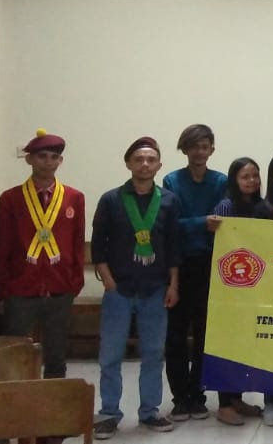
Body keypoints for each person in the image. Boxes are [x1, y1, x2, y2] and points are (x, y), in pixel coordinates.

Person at [92, 137, 181, 439]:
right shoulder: (111, 200)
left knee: (154, 354)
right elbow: (99, 245)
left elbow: (173, 246)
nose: (145, 164)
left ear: (159, 165)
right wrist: (108, 281)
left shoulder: (168, 201)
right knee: (110, 355)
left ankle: (150, 411)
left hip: (155, 288)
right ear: (128, 163)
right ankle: (109, 413)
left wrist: (173, 284)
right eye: (139, 159)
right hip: (119, 288)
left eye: (151, 159)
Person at [0, 129, 86, 380]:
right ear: (29, 159)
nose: (48, 162)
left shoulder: (74, 198)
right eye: (42, 156)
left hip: (60, 287)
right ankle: (16, 400)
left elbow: (77, 242)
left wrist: (75, 281)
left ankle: (54, 400)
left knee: (57, 354)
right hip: (20, 287)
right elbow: (3, 245)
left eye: (54, 157)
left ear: (60, 161)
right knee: (16, 352)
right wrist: (2, 286)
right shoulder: (10, 198)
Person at [207, 157, 273, 426]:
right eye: (245, 176)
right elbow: (218, 245)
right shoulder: (225, 207)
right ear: (234, 179)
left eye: (255, 175)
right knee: (228, 344)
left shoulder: (266, 208)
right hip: (230, 289)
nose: (251, 181)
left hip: (260, 288)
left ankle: (237, 399)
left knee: (246, 346)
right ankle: (224, 404)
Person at [161, 124, 229, 423]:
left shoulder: (222, 180)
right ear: (185, 149)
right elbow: (171, 223)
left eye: (204, 146)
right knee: (176, 335)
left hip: (211, 265)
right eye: (194, 146)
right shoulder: (171, 180)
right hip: (178, 265)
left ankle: (198, 397)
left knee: (205, 334)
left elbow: (225, 222)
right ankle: (180, 398)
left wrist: (203, 223)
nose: (199, 152)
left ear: (212, 149)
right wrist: (202, 222)